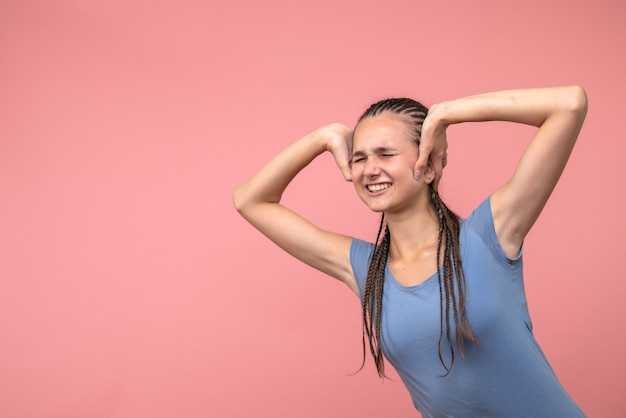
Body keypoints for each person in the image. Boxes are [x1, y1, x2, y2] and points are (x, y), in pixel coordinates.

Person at [232, 85, 588, 417]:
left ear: (429, 165)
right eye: (359, 158)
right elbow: (250, 200)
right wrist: (322, 138)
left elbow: (569, 103)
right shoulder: (364, 269)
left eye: (385, 154)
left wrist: (447, 113)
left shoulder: (488, 235)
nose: (370, 169)